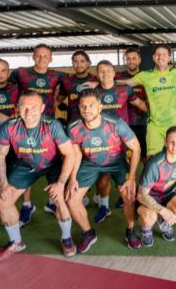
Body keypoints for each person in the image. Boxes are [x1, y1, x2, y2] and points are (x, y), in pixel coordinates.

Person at [0, 91, 75, 262]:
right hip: (27, 165)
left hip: (53, 164)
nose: (29, 112)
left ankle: (66, 238)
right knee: (3, 201)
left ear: (43, 108)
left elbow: (69, 154)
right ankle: (16, 241)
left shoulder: (52, 125)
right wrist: (3, 184)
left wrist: (60, 183)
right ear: (18, 108)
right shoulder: (8, 126)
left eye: (34, 107)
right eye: (24, 107)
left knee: (59, 198)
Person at [66, 90, 142, 252]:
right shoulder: (74, 127)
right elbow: (76, 153)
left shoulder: (115, 123)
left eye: (91, 105)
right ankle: (88, 233)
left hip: (116, 161)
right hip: (90, 163)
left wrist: (131, 178)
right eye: (83, 106)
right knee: (71, 199)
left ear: (100, 107)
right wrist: (72, 178)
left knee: (129, 194)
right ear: (79, 108)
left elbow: (136, 148)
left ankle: (130, 230)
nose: (87, 109)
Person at [9, 44, 67, 218]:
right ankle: (27, 205)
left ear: (51, 59)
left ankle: (52, 202)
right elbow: (8, 88)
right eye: (39, 55)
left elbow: (65, 91)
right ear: (33, 56)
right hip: (25, 123)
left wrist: (55, 103)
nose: (42, 59)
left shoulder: (57, 75)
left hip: (48, 125)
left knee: (51, 163)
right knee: (26, 162)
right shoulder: (20, 73)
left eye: (45, 56)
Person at [91, 60, 147, 223]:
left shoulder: (125, 89)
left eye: (108, 70)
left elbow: (140, 104)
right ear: (97, 74)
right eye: (101, 71)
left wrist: (158, 112)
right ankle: (104, 206)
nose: (105, 73)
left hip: (123, 139)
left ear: (114, 73)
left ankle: (130, 200)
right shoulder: (93, 93)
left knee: (130, 171)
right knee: (103, 176)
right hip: (102, 140)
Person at [137, 126, 176, 247]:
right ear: (165, 142)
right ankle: (146, 230)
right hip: (148, 199)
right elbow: (141, 195)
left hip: (167, 196)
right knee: (150, 217)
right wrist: (163, 211)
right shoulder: (155, 164)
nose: (175, 146)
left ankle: (162, 220)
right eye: (171, 142)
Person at [116, 47, 148, 162]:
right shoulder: (118, 77)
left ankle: (145, 180)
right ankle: (129, 180)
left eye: (134, 58)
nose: (131, 61)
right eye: (128, 58)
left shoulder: (147, 76)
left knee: (145, 157)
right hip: (123, 124)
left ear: (139, 60)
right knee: (125, 158)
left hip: (142, 123)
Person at [56, 50, 96, 123]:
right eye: (75, 61)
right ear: (72, 63)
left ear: (89, 63)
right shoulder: (66, 81)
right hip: (72, 122)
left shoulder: (96, 80)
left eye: (82, 61)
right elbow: (58, 100)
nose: (79, 64)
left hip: (92, 121)